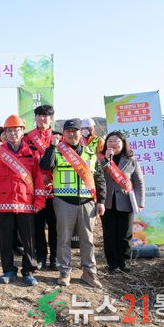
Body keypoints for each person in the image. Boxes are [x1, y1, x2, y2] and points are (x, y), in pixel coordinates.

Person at [40, 119, 106, 288]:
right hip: (64, 202)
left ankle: (89, 272)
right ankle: (64, 271)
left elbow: (99, 178)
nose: (71, 134)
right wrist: (52, 147)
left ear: (80, 132)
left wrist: (101, 201)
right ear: (63, 134)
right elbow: (45, 166)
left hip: (87, 202)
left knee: (88, 239)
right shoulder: (57, 151)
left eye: (75, 130)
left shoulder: (90, 152)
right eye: (68, 131)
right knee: (63, 238)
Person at [0, 115, 45, 286]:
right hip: (4, 203)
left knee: (28, 240)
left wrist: (39, 201)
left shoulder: (32, 153)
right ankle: (8, 270)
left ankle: (28, 271)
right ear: (5, 133)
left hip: (26, 203)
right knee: (6, 241)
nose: (13, 133)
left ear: (23, 131)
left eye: (16, 130)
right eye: (9, 131)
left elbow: (38, 179)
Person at [100, 131, 145, 273]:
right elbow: (97, 177)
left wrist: (140, 202)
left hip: (126, 202)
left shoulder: (131, 160)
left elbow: (139, 182)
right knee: (109, 234)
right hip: (107, 203)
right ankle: (112, 264)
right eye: (109, 141)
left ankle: (123, 262)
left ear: (123, 143)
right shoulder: (101, 160)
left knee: (125, 234)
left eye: (116, 141)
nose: (113, 144)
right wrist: (106, 160)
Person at [22, 104, 58, 270]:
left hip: (55, 190)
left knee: (55, 227)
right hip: (35, 190)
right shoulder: (27, 138)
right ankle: (41, 256)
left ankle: (55, 257)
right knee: (37, 226)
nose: (42, 119)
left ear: (51, 118)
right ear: (35, 118)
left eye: (46, 116)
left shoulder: (58, 138)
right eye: (39, 115)